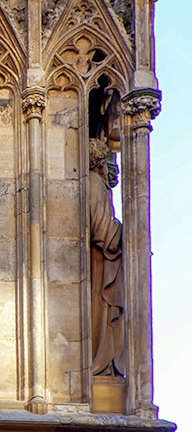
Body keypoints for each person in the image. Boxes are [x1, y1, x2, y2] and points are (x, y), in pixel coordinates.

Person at [88, 137, 124, 376]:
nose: (113, 177)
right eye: (110, 167)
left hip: (99, 261)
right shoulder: (94, 183)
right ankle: (102, 361)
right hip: (100, 263)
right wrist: (128, 231)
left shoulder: (94, 184)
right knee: (101, 313)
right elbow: (103, 232)